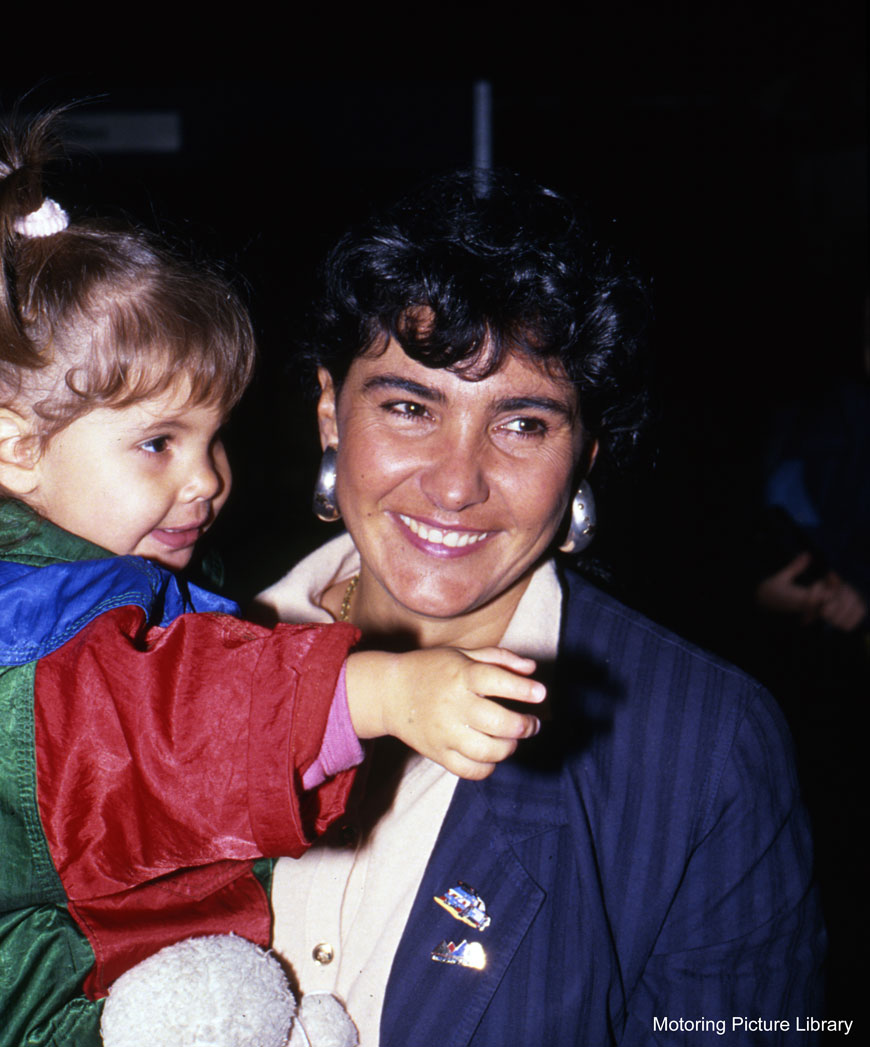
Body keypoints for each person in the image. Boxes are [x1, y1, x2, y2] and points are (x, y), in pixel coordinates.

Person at [0, 116, 545, 1047]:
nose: (206, 479)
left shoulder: (114, 584)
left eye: (213, 440)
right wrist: (377, 686)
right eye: (158, 444)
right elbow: (161, 729)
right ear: (16, 449)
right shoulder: (41, 631)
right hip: (64, 999)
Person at [257, 170, 826, 1045]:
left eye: (523, 424)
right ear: (331, 414)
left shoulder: (705, 746)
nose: (456, 483)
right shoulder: (166, 654)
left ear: (583, 456)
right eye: (411, 407)